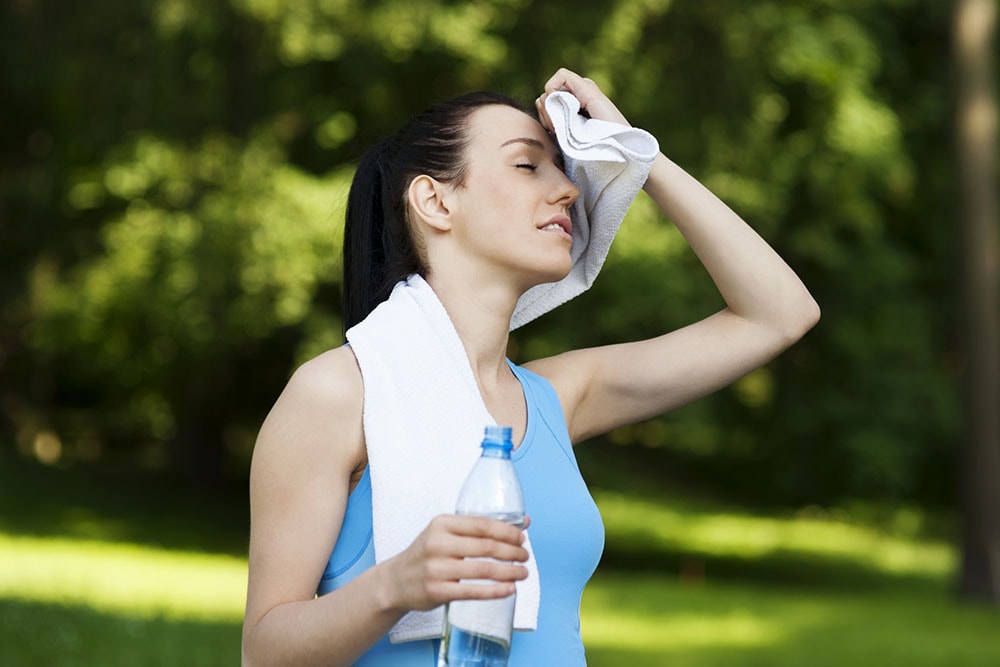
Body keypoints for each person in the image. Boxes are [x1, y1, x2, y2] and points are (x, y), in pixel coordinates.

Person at [241, 68, 820, 666]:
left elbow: (779, 314)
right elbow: (264, 653)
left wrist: (636, 153)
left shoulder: (556, 397)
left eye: (563, 170)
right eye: (527, 165)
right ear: (436, 200)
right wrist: (395, 585)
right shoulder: (338, 393)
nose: (568, 190)